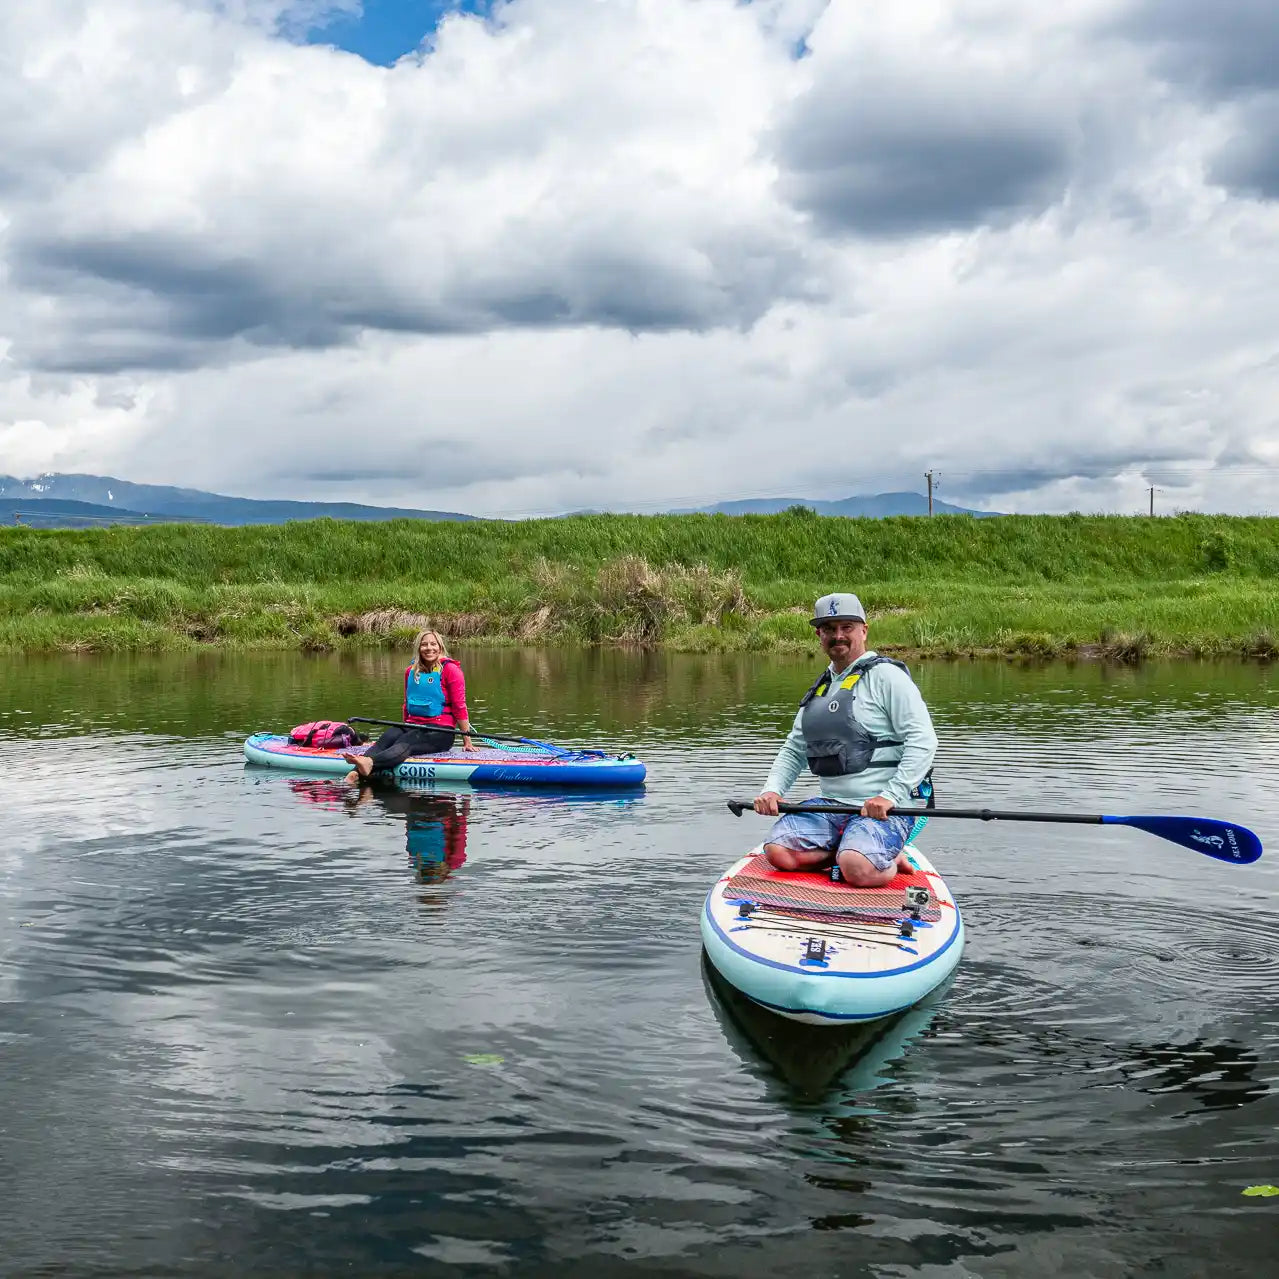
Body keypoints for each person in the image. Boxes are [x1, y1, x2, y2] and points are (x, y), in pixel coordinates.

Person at [753, 592, 938, 887]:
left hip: (887, 808)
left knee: (857, 868)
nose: (838, 636)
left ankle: (884, 857)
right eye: (829, 628)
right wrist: (773, 790)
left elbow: (923, 740)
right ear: (819, 634)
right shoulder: (821, 688)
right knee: (778, 853)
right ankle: (849, 851)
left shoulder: (887, 677)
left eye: (847, 627)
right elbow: (794, 748)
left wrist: (889, 795)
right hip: (831, 804)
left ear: (864, 630)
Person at [343, 629, 476, 783]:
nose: (429, 648)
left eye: (433, 644)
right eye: (424, 644)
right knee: (386, 738)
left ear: (440, 647)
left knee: (405, 741)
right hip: (413, 724)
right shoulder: (411, 671)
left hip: (440, 731)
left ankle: (370, 764)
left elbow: (459, 706)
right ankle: (355, 773)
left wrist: (467, 741)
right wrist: (403, 726)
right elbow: (407, 703)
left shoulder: (451, 670)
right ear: (418, 648)